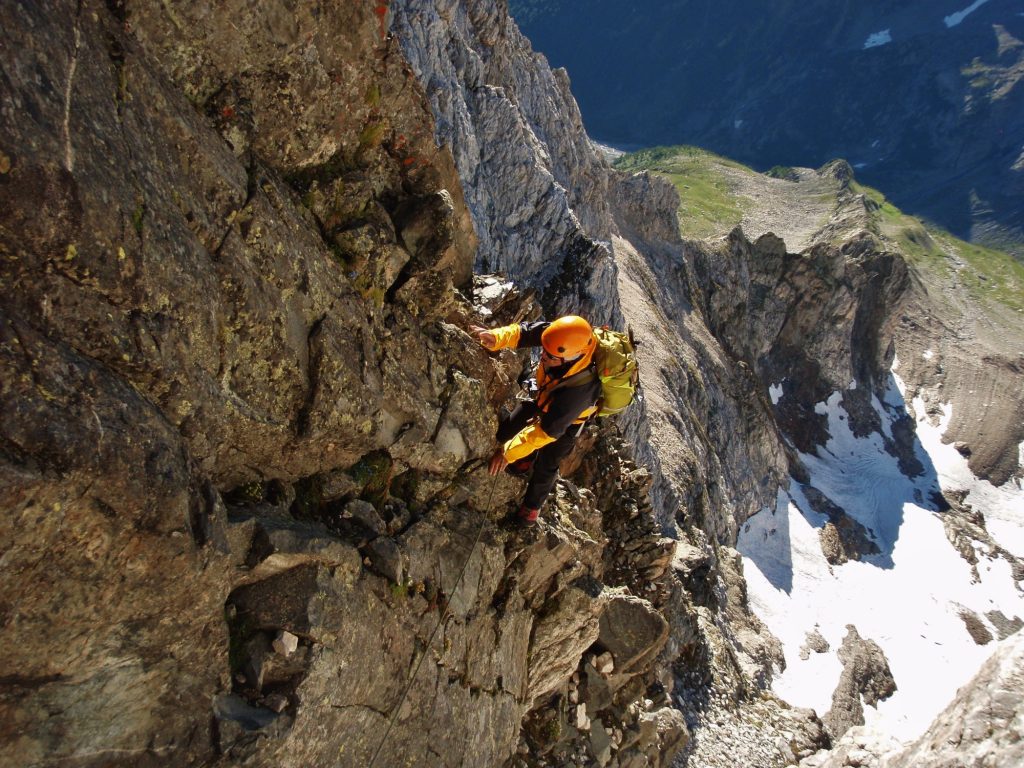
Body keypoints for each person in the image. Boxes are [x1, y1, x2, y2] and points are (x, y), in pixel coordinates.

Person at [470, 315, 602, 525]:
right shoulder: (558, 338)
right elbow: (525, 331)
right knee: (504, 433)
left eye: (549, 356)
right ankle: (522, 462)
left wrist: (508, 453)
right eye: (544, 350)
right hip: (543, 399)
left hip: (566, 423)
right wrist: (497, 337)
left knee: (547, 463)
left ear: (570, 357)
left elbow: (548, 431)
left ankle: (530, 511)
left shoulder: (581, 389)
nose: (543, 355)